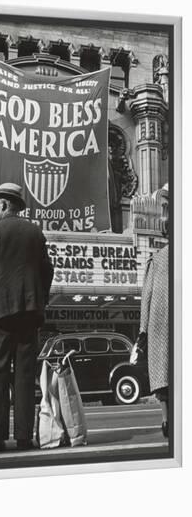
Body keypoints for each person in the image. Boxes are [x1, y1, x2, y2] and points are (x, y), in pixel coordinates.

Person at [0, 182, 53, 451]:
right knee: (24, 375)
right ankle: (23, 437)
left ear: (5, 205)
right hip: (29, 314)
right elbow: (47, 271)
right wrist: (39, 300)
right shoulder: (35, 232)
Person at [138, 183, 169, 437]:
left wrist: (143, 331)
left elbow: (146, 298)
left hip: (162, 327)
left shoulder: (157, 260)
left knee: (164, 378)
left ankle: (167, 420)